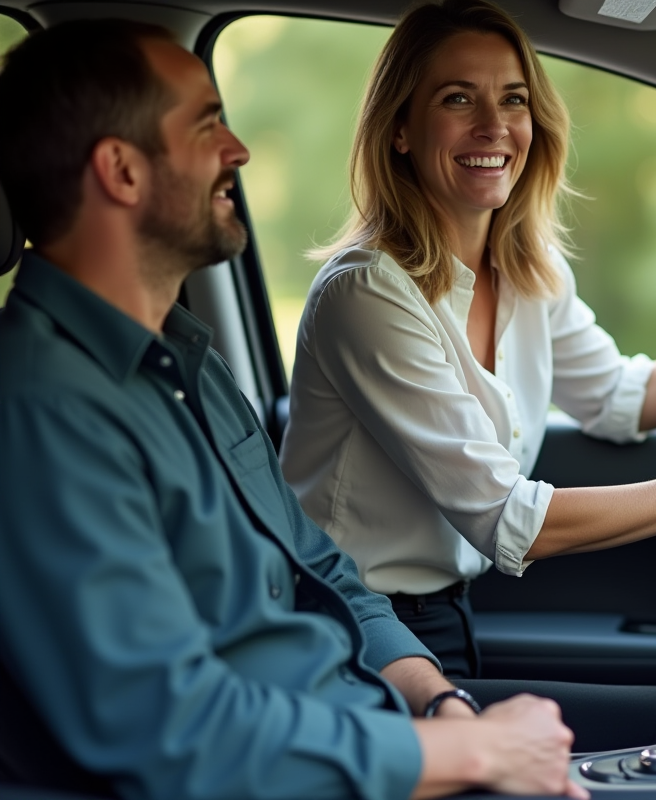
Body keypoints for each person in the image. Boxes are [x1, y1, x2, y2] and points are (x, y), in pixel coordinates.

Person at [0, 19, 588, 800]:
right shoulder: (45, 409)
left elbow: (323, 573)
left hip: (362, 722)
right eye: (208, 125)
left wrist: (441, 704)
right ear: (122, 172)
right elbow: (169, 731)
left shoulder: (193, 366)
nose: (237, 152)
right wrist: (472, 757)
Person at [280, 0, 656, 680]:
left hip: (446, 615)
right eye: (458, 98)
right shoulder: (368, 293)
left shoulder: (526, 266)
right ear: (400, 129)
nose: (494, 125)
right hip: (349, 634)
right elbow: (513, 519)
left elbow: (617, 397)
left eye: (513, 100)